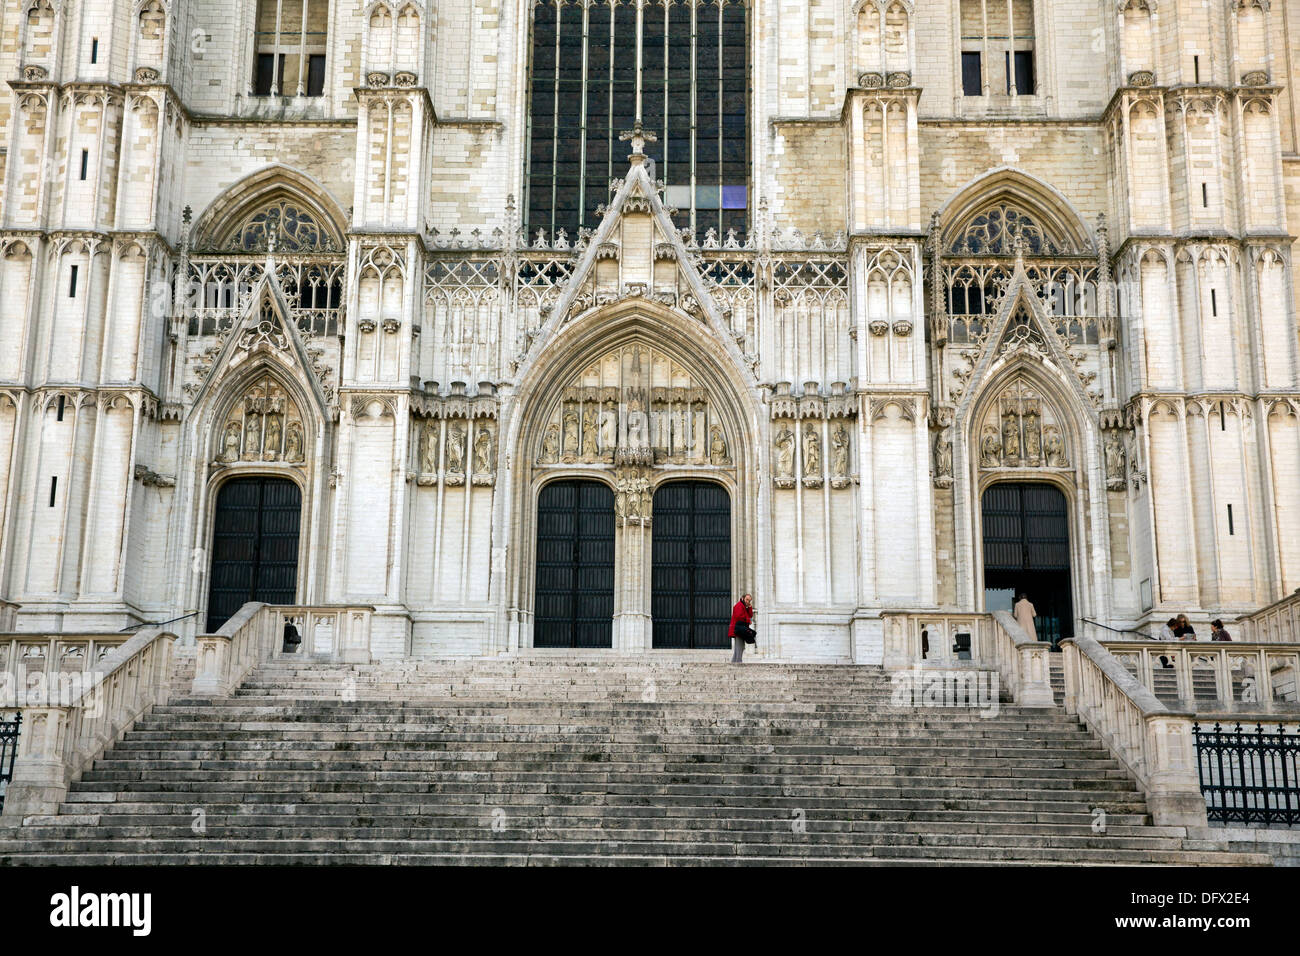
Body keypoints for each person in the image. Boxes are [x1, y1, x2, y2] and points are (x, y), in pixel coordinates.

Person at [729, 593, 755, 664]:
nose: (748, 601)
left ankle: (734, 661)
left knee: (740, 646)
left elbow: (750, 615)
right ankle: (738, 661)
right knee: (739, 646)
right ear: (742, 598)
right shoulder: (739, 605)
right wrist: (748, 620)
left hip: (741, 629)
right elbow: (739, 617)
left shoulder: (744, 606)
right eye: (747, 599)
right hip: (738, 629)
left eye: (749, 601)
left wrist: (749, 607)